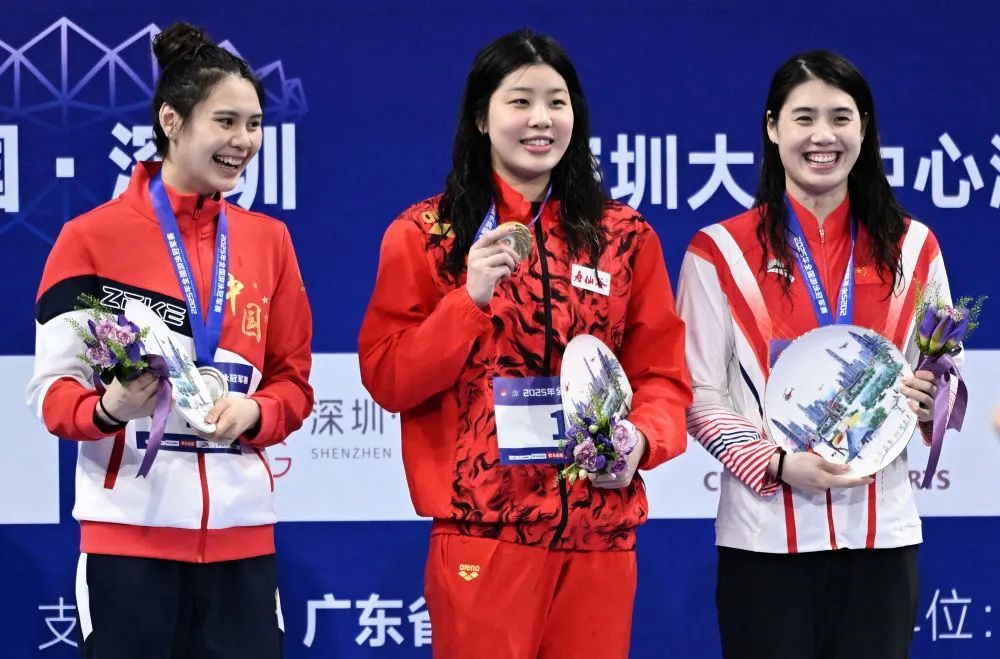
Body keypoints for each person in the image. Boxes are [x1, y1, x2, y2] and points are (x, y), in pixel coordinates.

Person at [359, 28, 691, 659]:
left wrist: (643, 440)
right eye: (520, 101)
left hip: (600, 530)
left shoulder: (622, 236)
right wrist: (467, 301)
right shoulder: (427, 234)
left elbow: (663, 376)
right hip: (484, 529)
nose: (541, 119)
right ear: (481, 118)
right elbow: (388, 377)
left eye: (556, 102)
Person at [26, 22, 313, 659]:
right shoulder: (90, 238)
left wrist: (256, 412)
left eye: (254, 124)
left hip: (242, 541)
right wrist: (109, 408)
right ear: (172, 121)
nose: (244, 141)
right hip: (129, 542)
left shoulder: (269, 241)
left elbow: (294, 383)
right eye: (226, 122)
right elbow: (52, 392)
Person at [677, 50, 956, 659]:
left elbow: (944, 377)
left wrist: (932, 401)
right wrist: (775, 464)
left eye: (840, 117)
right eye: (804, 118)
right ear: (773, 128)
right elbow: (698, 393)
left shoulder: (915, 247)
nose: (822, 136)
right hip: (763, 537)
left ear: (865, 128)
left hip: (882, 538)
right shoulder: (719, 252)